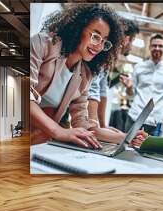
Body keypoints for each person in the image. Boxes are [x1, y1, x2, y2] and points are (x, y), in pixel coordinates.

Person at [30, 4, 146, 148]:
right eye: (96, 36)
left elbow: (84, 125)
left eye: (104, 42)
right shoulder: (42, 44)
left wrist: (126, 137)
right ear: (77, 28)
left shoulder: (85, 74)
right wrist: (59, 131)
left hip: (37, 142)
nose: (99, 46)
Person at [120, 34, 163, 135]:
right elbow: (130, 93)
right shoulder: (138, 67)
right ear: (149, 47)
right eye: (154, 45)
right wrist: (129, 87)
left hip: (157, 120)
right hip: (135, 116)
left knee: (152, 150)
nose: (157, 48)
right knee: (127, 148)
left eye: (160, 46)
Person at [87, 19, 140, 137]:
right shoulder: (102, 53)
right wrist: (95, 126)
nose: (130, 46)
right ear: (126, 39)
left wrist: (102, 125)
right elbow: (93, 90)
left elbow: (102, 91)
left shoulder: (109, 58)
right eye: (133, 40)